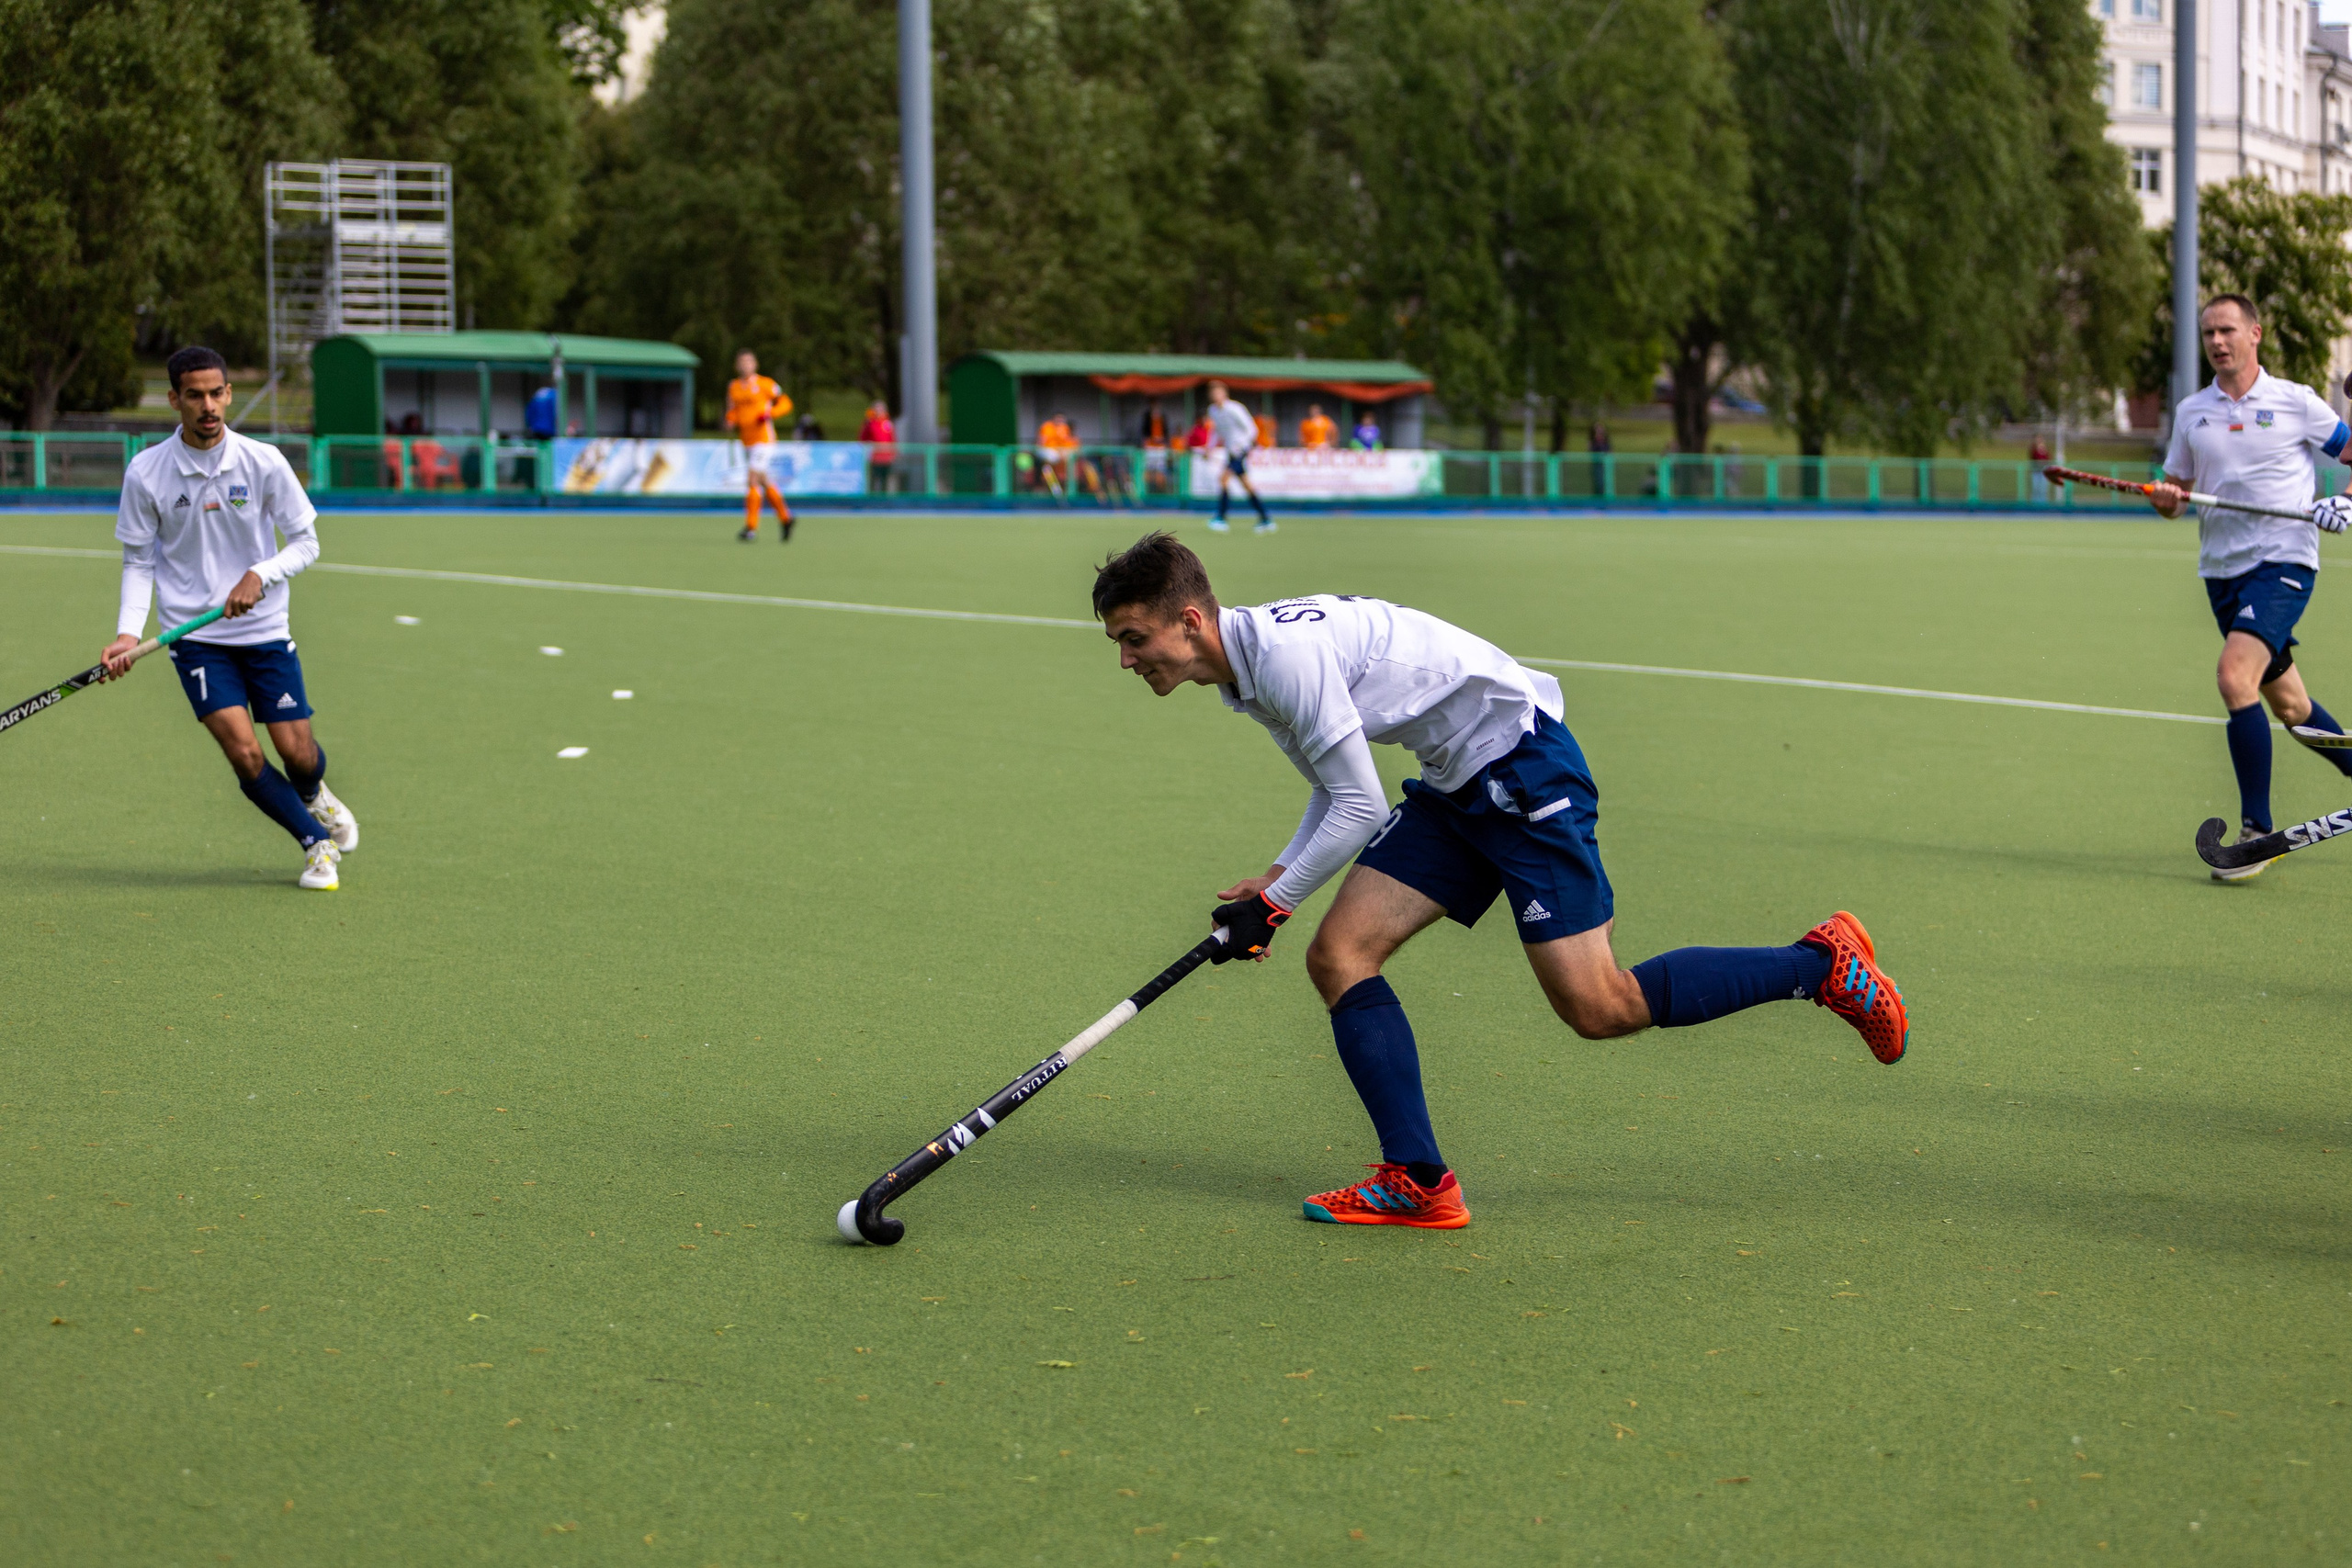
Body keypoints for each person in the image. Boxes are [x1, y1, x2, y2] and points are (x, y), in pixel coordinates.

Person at [1091, 532, 1906, 1228]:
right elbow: (1330, 790)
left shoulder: (1284, 659)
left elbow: (1360, 802)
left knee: (1599, 1005)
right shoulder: (1246, 673)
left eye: (1134, 638)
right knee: (1339, 956)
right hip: (1457, 784)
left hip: (1523, 769)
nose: (1128, 660)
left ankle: (1820, 965)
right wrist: (1275, 879)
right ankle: (1418, 1180)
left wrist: (1273, 904)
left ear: (1189, 621)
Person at [102, 346, 356, 892]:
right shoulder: (146, 473)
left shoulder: (262, 462)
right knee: (245, 753)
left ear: (228, 394)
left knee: (298, 753)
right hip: (195, 638)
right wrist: (127, 632)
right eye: (194, 395)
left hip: (264, 630)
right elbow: (139, 561)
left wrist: (260, 573)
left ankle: (312, 791)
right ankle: (316, 844)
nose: (208, 405)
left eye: (217, 393)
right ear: (175, 400)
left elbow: (307, 543)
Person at [2148, 293, 2352, 880]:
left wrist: (2345, 501)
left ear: (2255, 334)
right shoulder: (2192, 411)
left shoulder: (2295, 402)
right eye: (2209, 332)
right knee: (2292, 707)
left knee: (2233, 675)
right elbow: (2178, 490)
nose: (2216, 341)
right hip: (2222, 573)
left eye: (2227, 330)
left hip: (2284, 561)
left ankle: (2256, 832)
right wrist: (2167, 499)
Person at [724, 351, 794, 543]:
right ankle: (786, 518)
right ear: (737, 366)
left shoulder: (766, 384)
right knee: (763, 480)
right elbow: (732, 411)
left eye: (749, 362)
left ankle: (751, 527)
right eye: (742, 362)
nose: (746, 366)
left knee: (752, 479)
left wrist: (770, 413)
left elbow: (786, 403)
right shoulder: (734, 387)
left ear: (755, 365)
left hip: (764, 439)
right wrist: (730, 420)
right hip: (746, 440)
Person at [1204, 381, 1272, 534]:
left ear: (1224, 394)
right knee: (1247, 485)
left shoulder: (1235, 409)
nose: (1215, 396)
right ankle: (1265, 518)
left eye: (1217, 392)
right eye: (1212, 393)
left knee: (1223, 478)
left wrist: (1240, 446)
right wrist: (1210, 447)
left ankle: (1221, 518)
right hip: (1230, 451)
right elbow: (1217, 432)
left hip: (1241, 450)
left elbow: (1251, 429)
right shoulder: (1213, 411)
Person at [860, 400, 897, 493]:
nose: (878, 411)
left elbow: (892, 438)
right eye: (876, 409)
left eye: (880, 409)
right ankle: (872, 495)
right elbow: (863, 437)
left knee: (885, 477)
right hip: (874, 456)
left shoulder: (887, 423)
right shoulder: (870, 423)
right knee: (874, 476)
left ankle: (884, 496)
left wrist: (893, 452)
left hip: (886, 456)